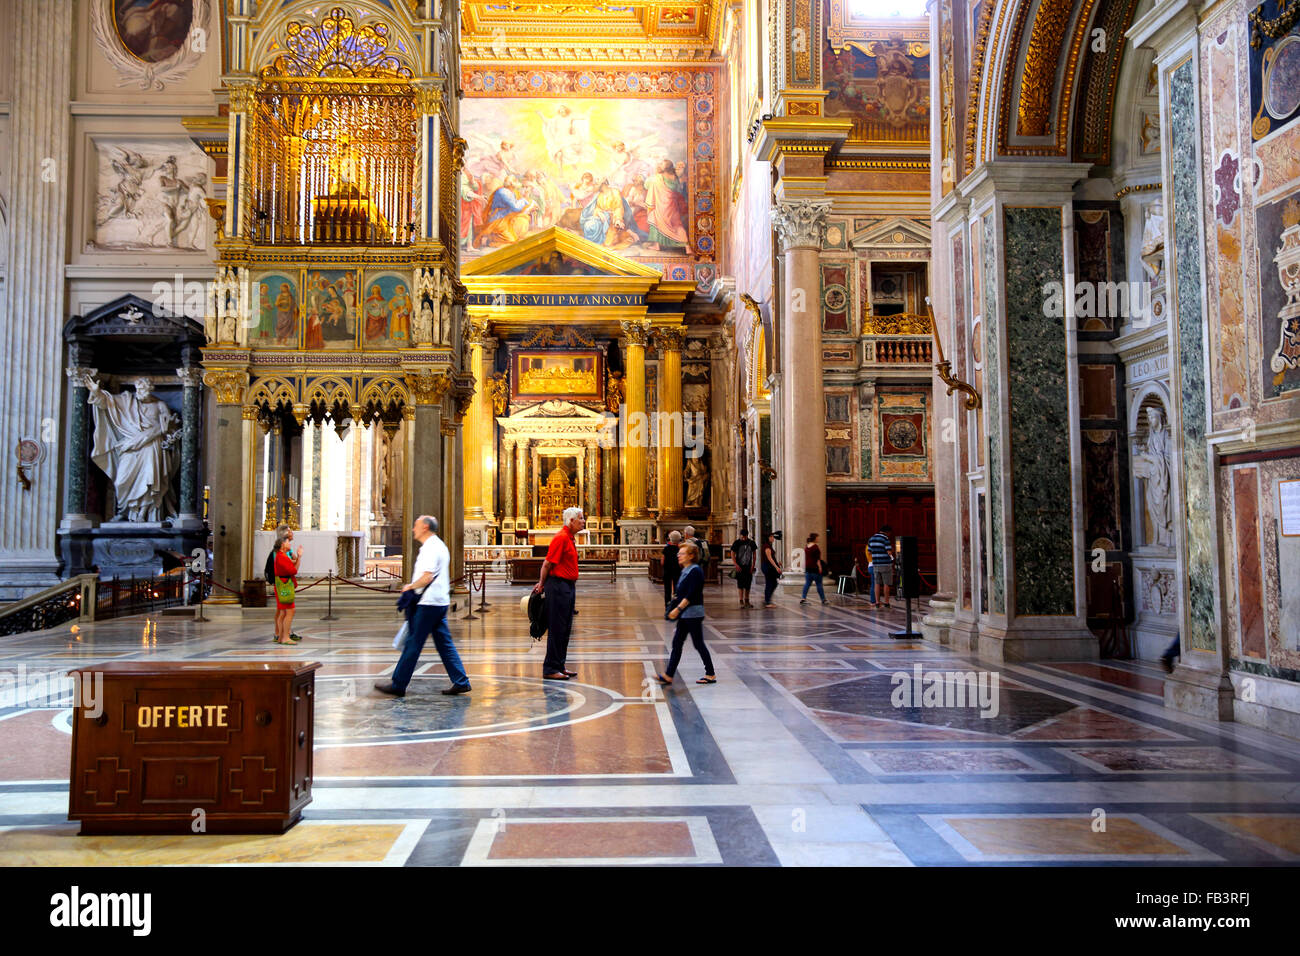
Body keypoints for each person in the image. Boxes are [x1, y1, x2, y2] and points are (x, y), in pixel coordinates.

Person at [375, 516, 471, 697]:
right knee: (444, 644)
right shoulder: (439, 546)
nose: (413, 529)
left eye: (416, 525)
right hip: (439, 601)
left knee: (413, 642)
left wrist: (410, 587)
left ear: (425, 527)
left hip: (429, 603)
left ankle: (398, 684)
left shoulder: (430, 548)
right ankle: (461, 681)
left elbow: (427, 576)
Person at [532, 506, 585, 680]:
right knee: (557, 627)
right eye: (581, 518)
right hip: (558, 587)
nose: (584, 521)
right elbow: (547, 564)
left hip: (567, 586)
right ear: (571, 521)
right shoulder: (561, 538)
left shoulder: (569, 538)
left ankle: (559, 665)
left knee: (565, 628)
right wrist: (541, 584)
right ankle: (550, 668)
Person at [654, 541, 716, 685]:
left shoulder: (695, 571)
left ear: (691, 556)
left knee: (698, 644)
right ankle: (669, 675)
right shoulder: (686, 570)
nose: (678, 556)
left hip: (693, 613)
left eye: (682, 554)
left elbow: (691, 594)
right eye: (679, 553)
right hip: (686, 614)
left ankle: (711, 673)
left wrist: (678, 609)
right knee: (677, 643)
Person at [265, 524, 302, 642]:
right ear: (284, 537)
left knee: (283, 610)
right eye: (290, 531)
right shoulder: (279, 553)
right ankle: (280, 634)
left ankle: (284, 634)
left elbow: (292, 561)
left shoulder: (287, 550)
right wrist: (298, 559)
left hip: (284, 581)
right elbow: (289, 567)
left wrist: (296, 557)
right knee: (282, 610)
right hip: (281, 582)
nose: (292, 533)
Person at [272, 532, 300, 644]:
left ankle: (280, 637)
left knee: (283, 612)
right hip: (284, 586)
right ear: (283, 544)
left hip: (280, 585)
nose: (290, 543)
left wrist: (297, 557)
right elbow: (294, 570)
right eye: (288, 541)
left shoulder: (281, 555)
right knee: (290, 611)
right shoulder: (282, 556)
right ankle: (285, 637)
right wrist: (300, 557)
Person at [868, 524, 895, 609]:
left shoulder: (871, 539)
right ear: (887, 532)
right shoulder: (885, 539)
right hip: (885, 564)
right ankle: (886, 603)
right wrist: (892, 557)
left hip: (875, 564)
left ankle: (877, 602)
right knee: (886, 584)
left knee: (877, 583)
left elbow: (869, 552)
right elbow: (889, 552)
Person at [731, 529, 757, 608]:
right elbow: (732, 553)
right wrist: (736, 564)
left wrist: (753, 565)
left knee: (748, 584)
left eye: (745, 536)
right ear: (740, 535)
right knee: (740, 584)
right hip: (740, 567)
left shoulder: (751, 543)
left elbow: (754, 554)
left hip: (748, 566)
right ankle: (741, 601)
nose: (743, 538)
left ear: (747, 535)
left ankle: (747, 600)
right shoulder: (737, 543)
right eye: (742, 536)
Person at [800, 532, 829, 605]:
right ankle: (823, 599)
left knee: (807, 584)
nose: (818, 539)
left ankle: (803, 598)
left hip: (808, 568)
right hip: (815, 568)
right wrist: (820, 567)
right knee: (819, 584)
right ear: (815, 538)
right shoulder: (815, 547)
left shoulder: (806, 546)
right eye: (817, 537)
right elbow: (817, 559)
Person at [761, 532, 783, 608]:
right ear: (768, 538)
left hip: (769, 566)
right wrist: (777, 567)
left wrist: (777, 564)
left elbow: (772, 558)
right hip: (768, 567)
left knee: (773, 583)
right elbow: (769, 558)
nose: (773, 538)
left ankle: (767, 600)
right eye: (772, 537)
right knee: (770, 583)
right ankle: (767, 602)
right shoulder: (767, 546)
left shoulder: (768, 546)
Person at [661, 530, 681, 610]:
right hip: (677, 571)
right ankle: (676, 605)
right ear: (679, 539)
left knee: (667, 589)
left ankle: (667, 605)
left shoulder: (666, 549)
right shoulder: (680, 549)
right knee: (677, 589)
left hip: (667, 571)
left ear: (670, 539)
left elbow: (662, 562)